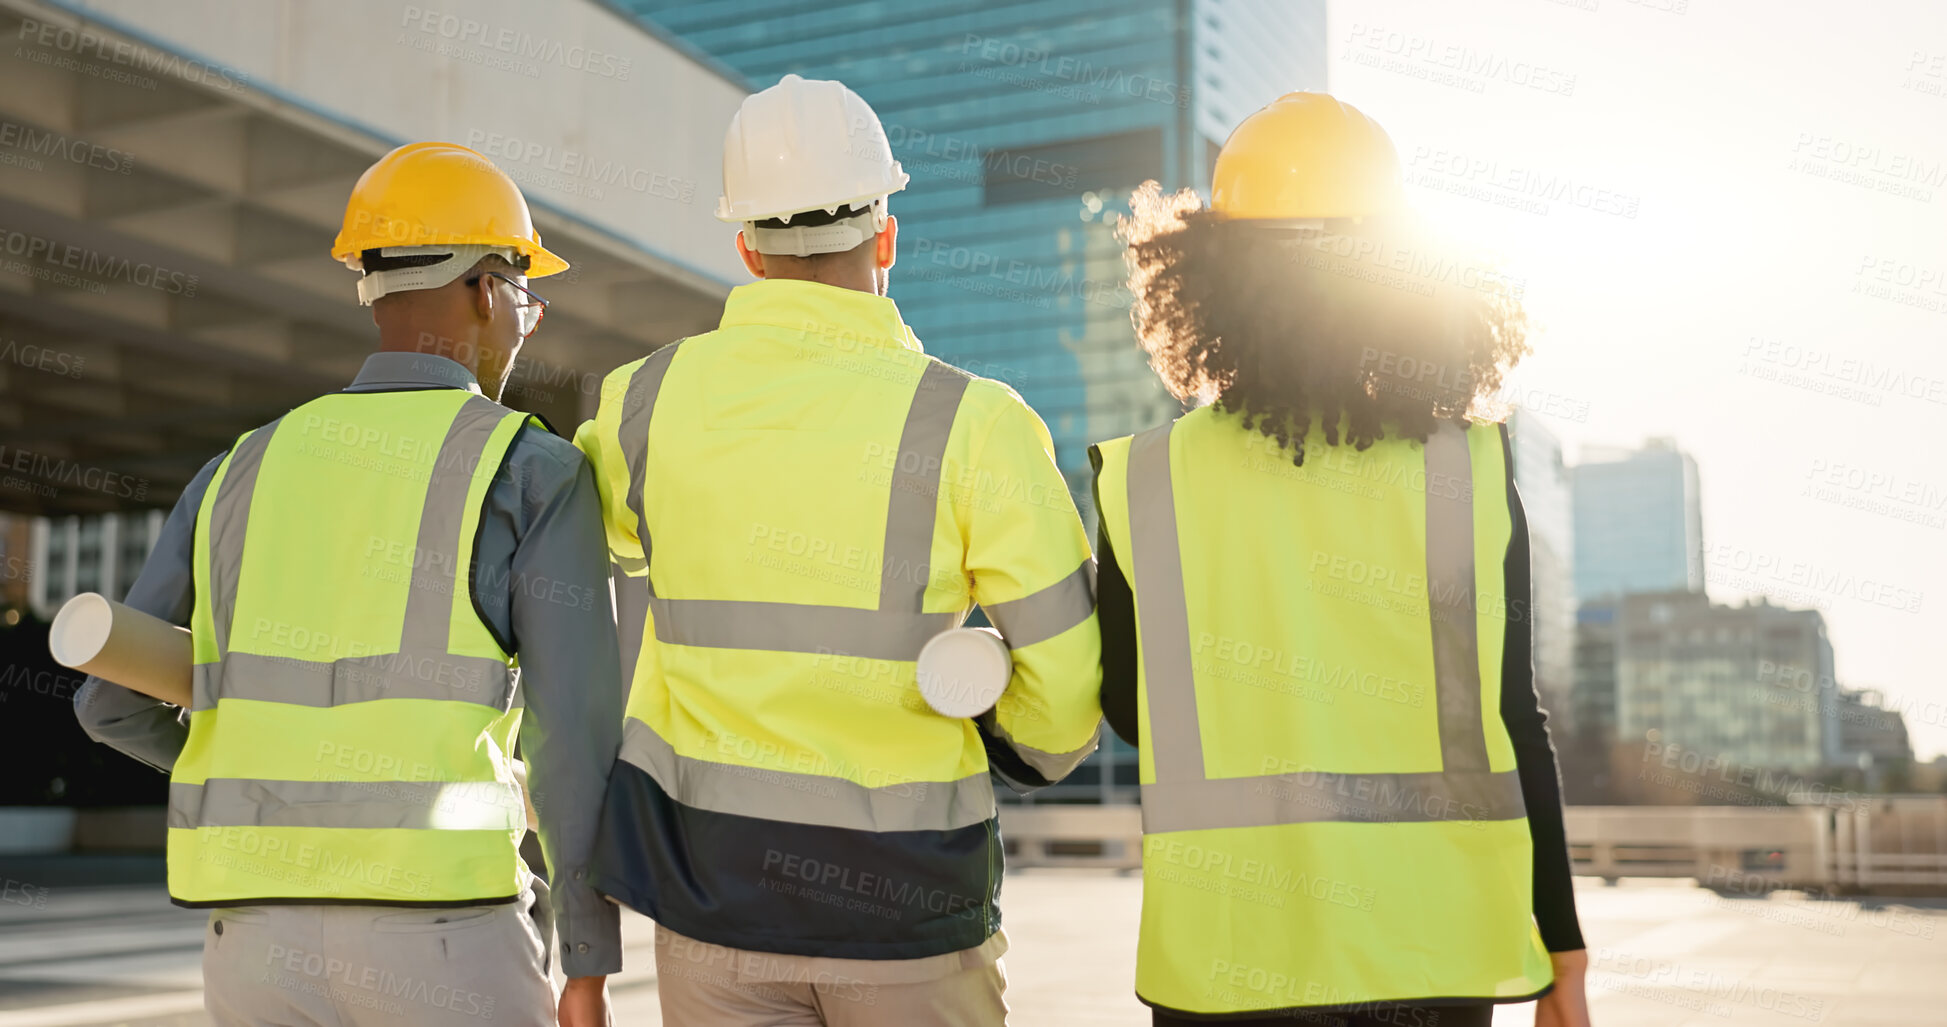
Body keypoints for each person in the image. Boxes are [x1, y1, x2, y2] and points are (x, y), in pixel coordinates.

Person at [574, 74, 1103, 1026]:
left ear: (745, 246)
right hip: (907, 912)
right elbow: (1063, 703)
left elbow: (580, 569)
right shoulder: (976, 424)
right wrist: (1000, 728)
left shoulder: (638, 405)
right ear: (886, 233)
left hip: (711, 903)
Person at [72, 142, 622, 1027]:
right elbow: (572, 742)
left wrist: (269, 786)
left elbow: (108, 703)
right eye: (528, 294)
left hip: (250, 945)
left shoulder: (239, 468)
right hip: (446, 936)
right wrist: (591, 959)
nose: (528, 321)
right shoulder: (529, 469)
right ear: (488, 289)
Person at [1091, 93, 1594, 1027]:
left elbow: (1128, 711)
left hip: (1228, 961)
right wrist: (1561, 951)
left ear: (1208, 275)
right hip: (1431, 953)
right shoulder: (1467, 465)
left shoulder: (1148, 478)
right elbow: (1514, 718)